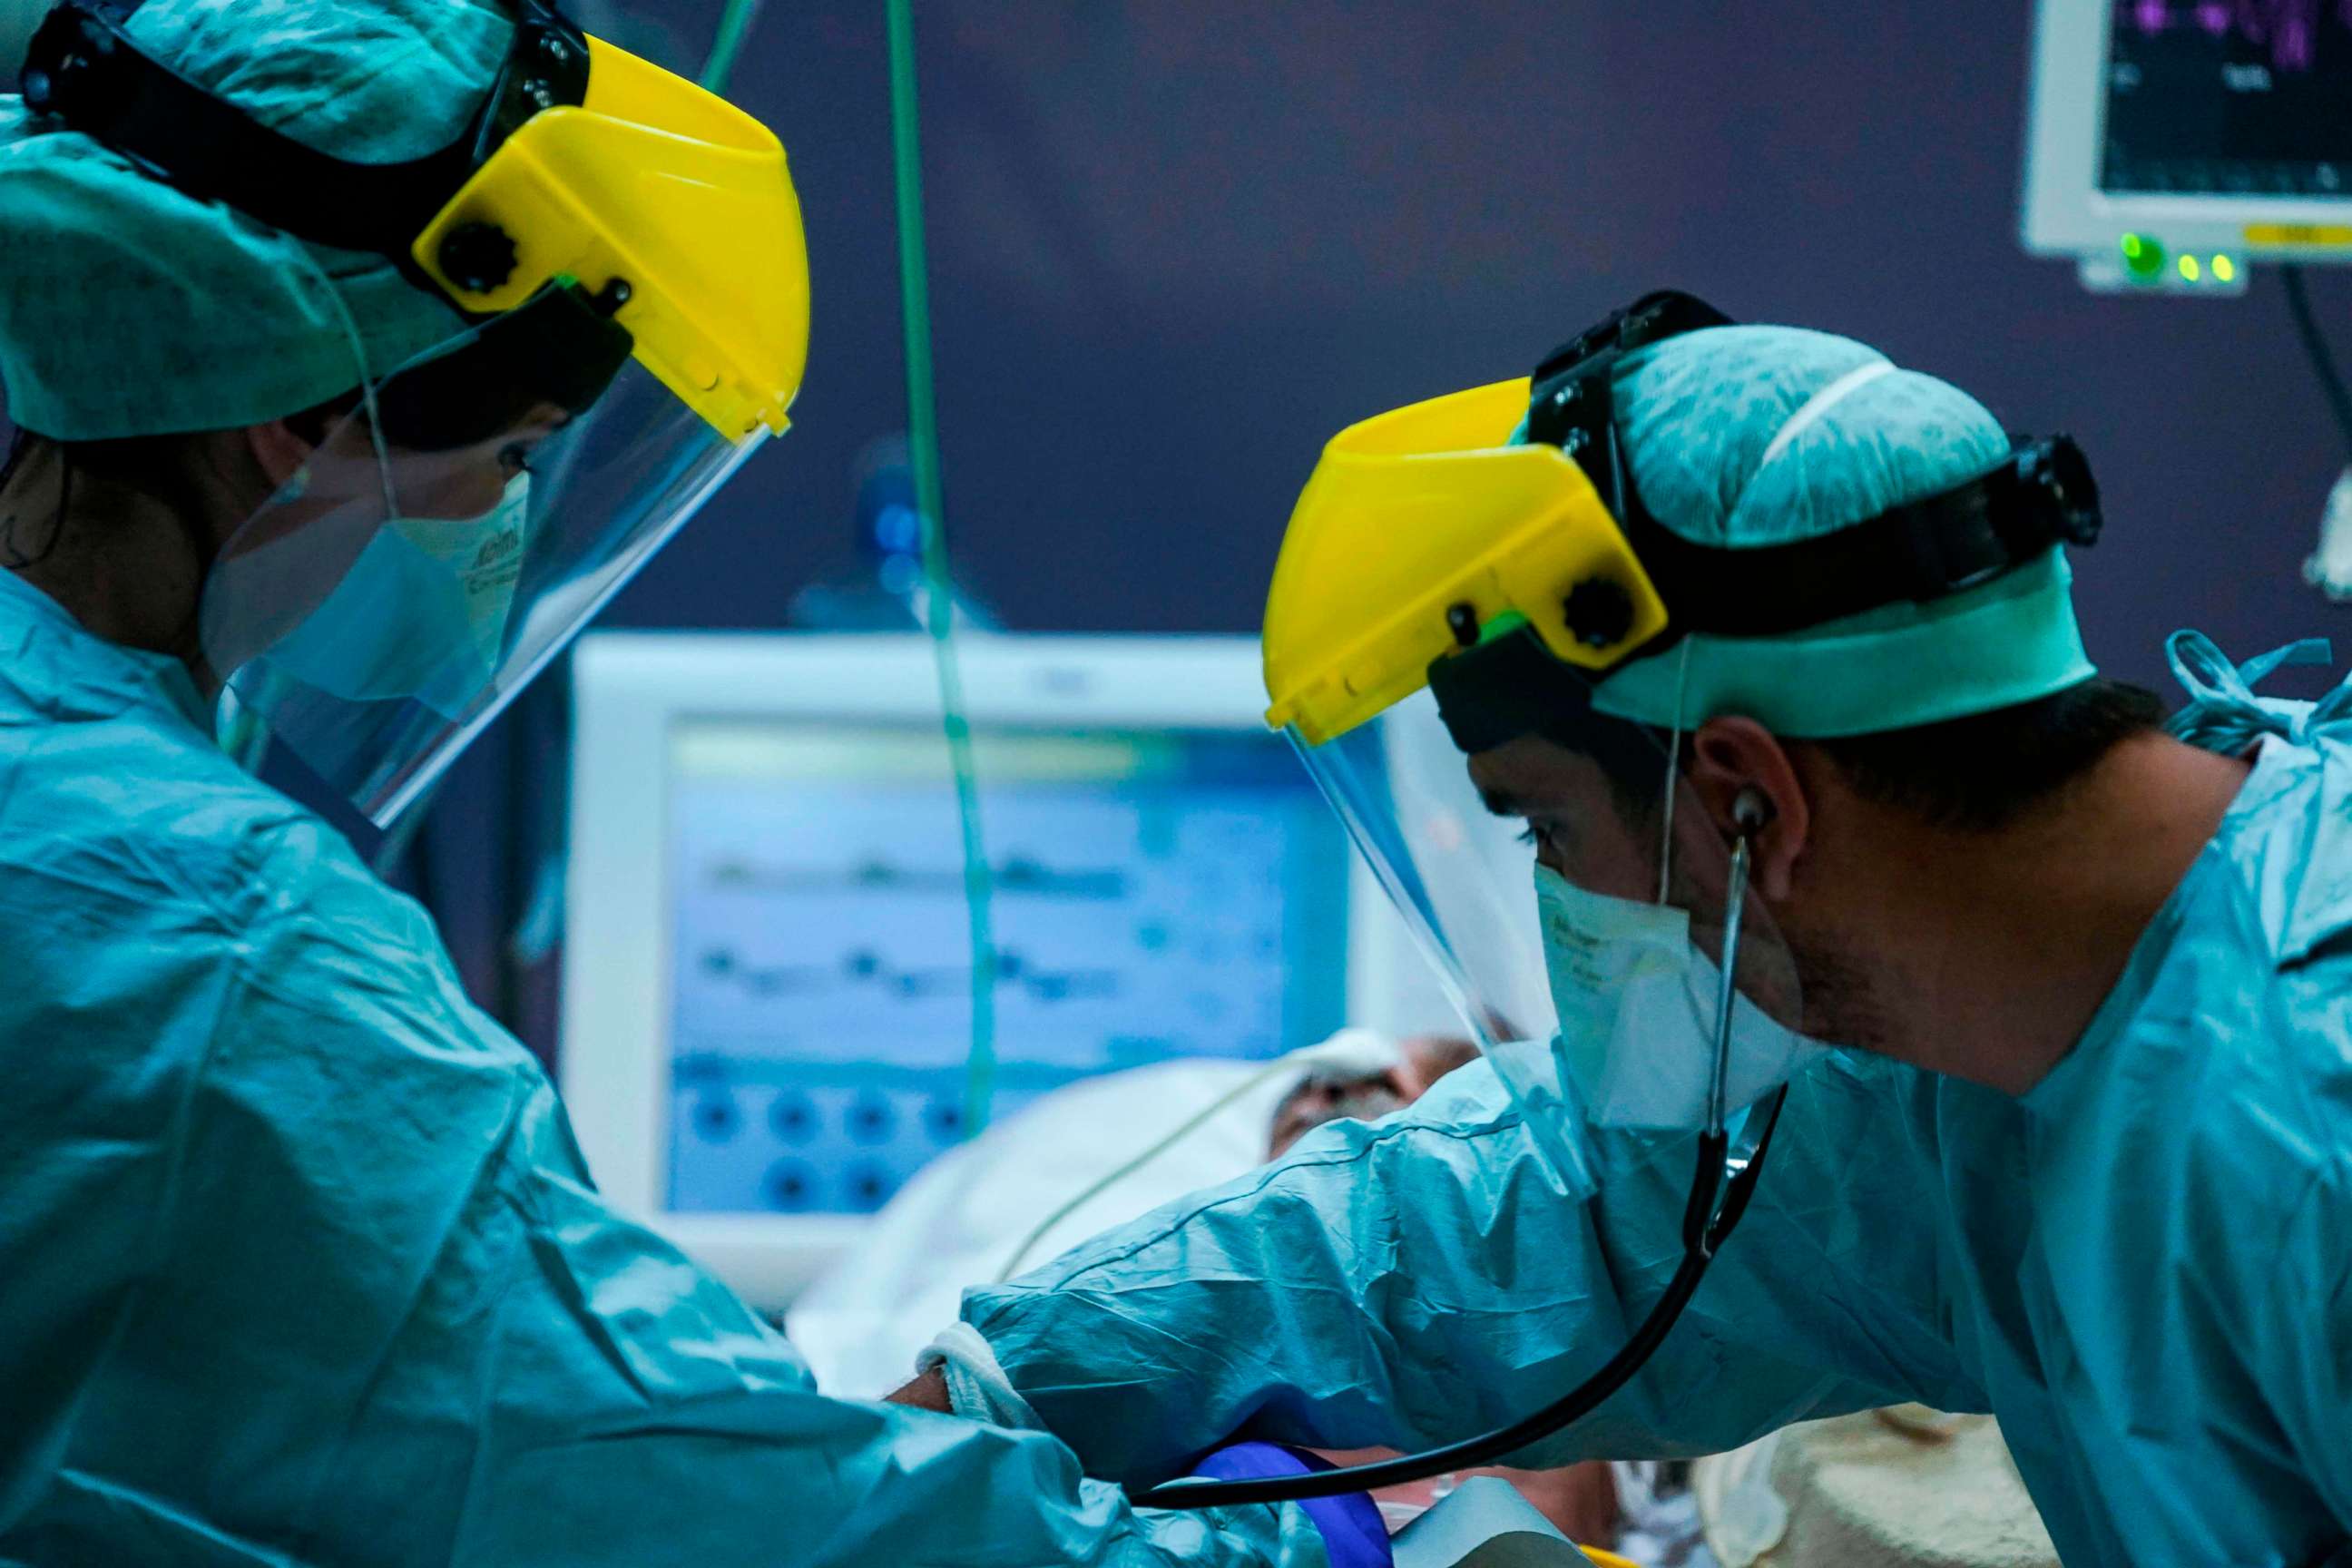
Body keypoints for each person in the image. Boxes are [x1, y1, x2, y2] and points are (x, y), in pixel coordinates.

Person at [0, 3, 1336, 1563]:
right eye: (506, 464)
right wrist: (1333, 1545)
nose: (503, 533)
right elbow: (709, 1506)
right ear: (296, 417)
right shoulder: (218, 939)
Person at [895, 295, 2352, 1568]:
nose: (1560, 897)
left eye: (1544, 825)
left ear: (1748, 801)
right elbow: (1518, 1230)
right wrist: (962, 1411)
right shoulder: (1969, 1068)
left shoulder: (2308, 1121)